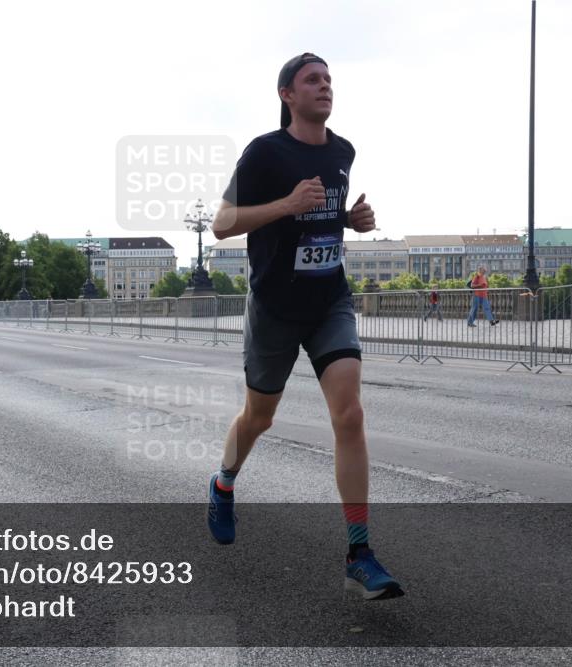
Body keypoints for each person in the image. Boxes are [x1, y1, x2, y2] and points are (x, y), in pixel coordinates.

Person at [207, 52, 402, 601]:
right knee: (258, 417)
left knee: (350, 413)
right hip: (274, 306)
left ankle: (359, 552)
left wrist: (349, 219)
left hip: (328, 300)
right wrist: (286, 203)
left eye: (329, 79)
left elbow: (321, 212)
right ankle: (224, 484)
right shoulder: (265, 152)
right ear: (287, 94)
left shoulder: (343, 151)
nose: (325, 87)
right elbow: (222, 224)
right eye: (312, 80)